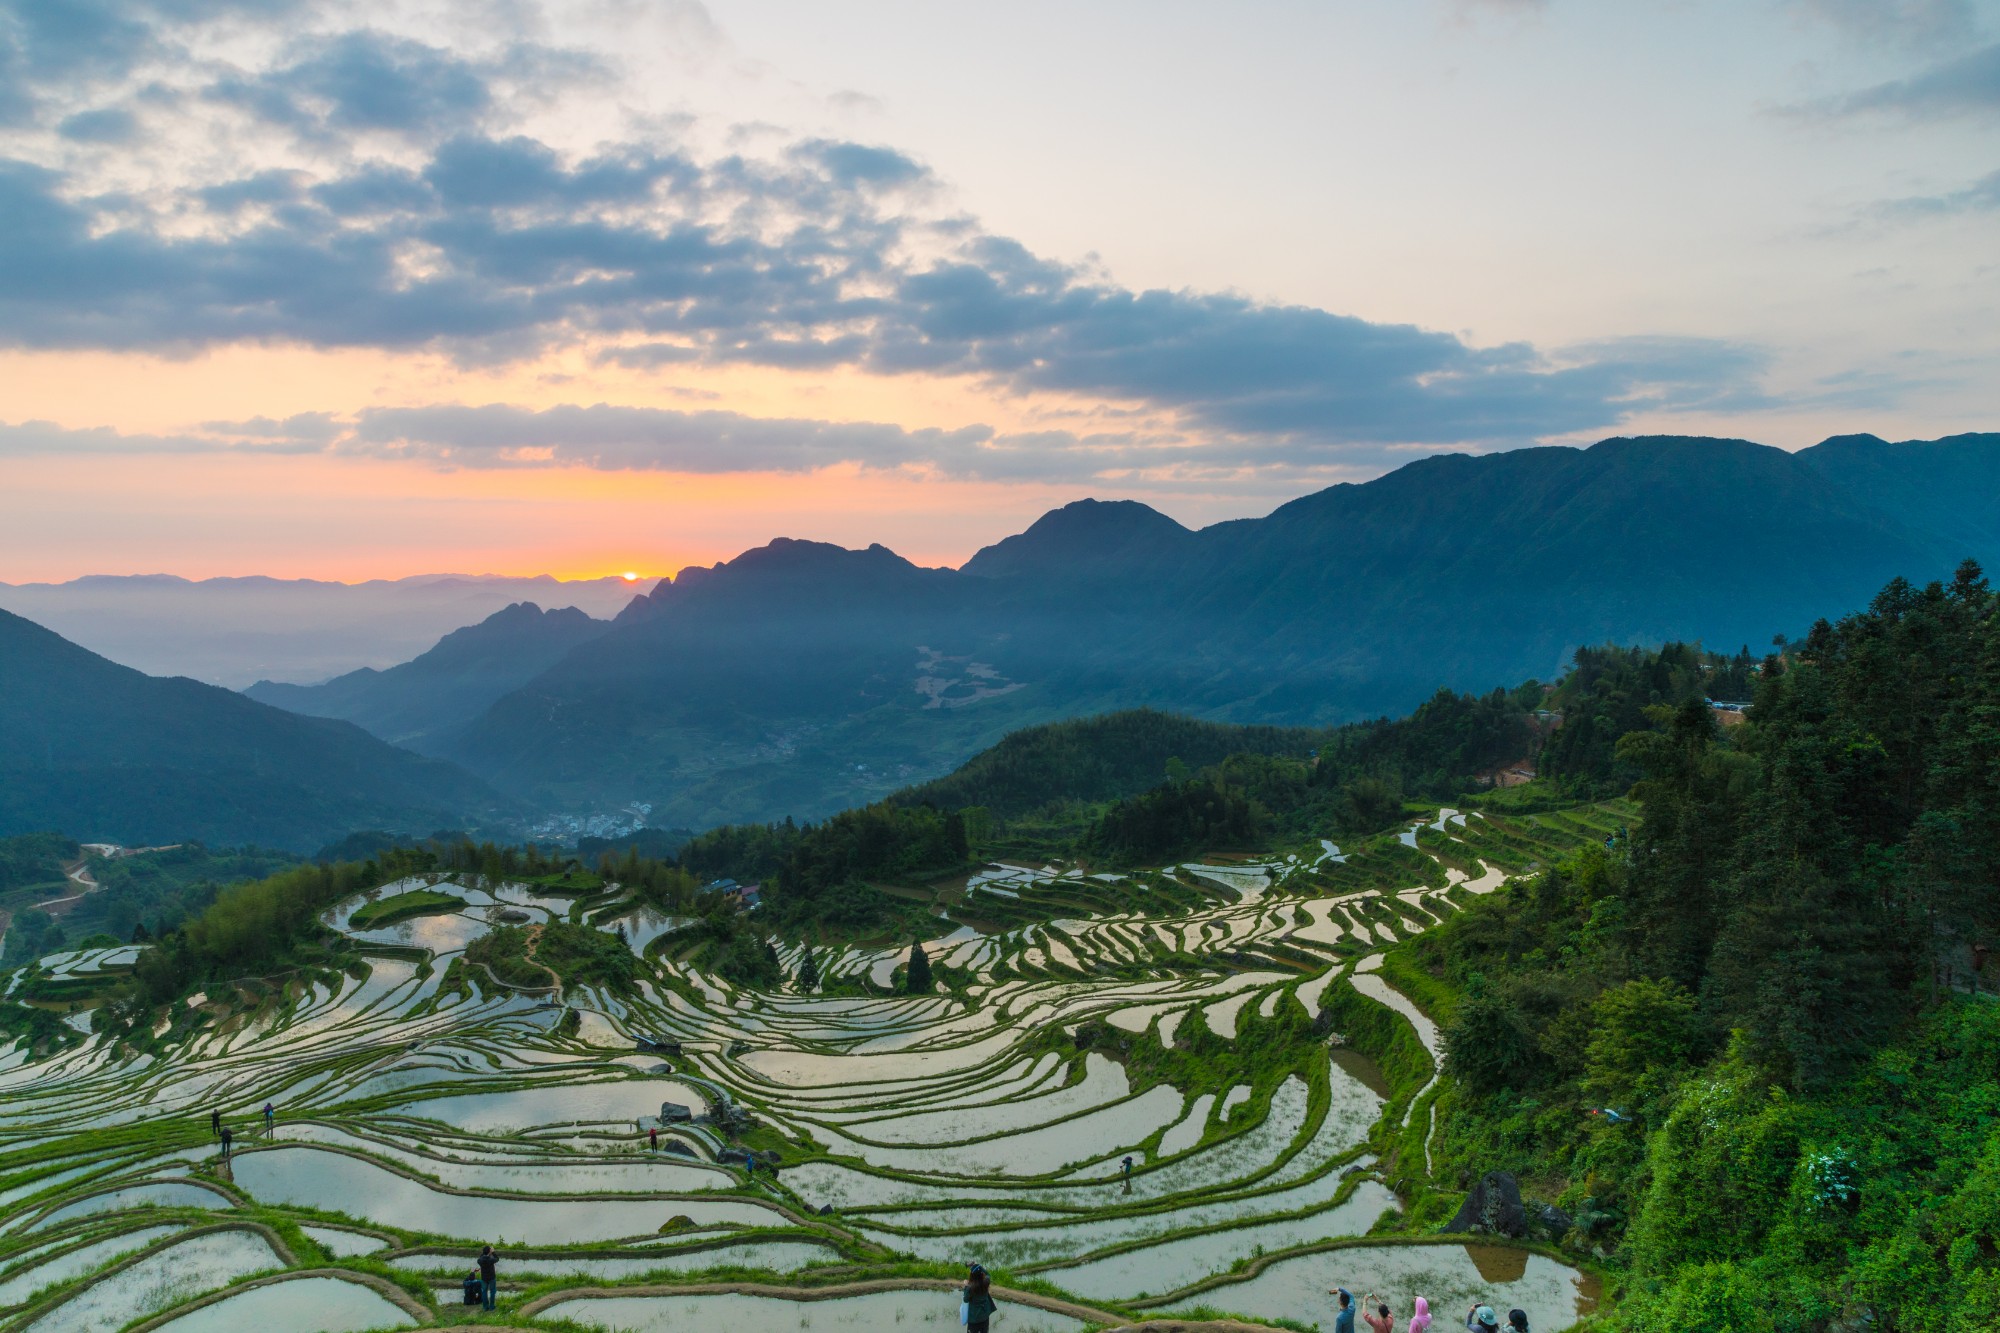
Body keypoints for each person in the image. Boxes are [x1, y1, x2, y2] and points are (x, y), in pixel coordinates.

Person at [962, 1262, 997, 1333]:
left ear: (972, 1275)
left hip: (974, 1320)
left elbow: (965, 1300)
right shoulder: (986, 1282)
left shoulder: (970, 1288)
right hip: (984, 1318)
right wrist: (980, 1266)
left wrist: (965, 1286)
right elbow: (988, 1274)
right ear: (981, 1274)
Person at [477, 1244, 498, 1311]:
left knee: (484, 1292)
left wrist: (485, 1252)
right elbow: (497, 1259)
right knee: (492, 1292)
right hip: (491, 1277)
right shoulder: (491, 1259)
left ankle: (485, 1307)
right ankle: (491, 1306)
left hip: (484, 1278)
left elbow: (480, 1258)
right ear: (489, 1252)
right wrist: (493, 1252)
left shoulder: (480, 1260)